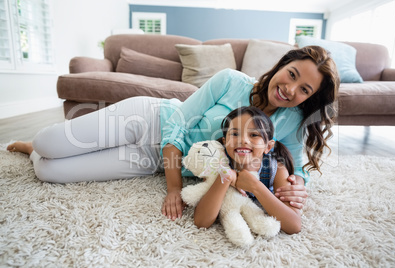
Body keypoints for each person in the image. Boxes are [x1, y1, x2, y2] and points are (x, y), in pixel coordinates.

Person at [7, 45, 339, 222]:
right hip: (149, 119)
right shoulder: (230, 80)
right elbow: (178, 122)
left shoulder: (292, 122)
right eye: (291, 74)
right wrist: (174, 189)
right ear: (281, 65)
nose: (289, 88)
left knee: (48, 170)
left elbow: (293, 168)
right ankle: (35, 143)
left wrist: (299, 187)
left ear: (310, 98)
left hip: (151, 160)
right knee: (48, 143)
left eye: (304, 89)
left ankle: (36, 152)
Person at [194, 106, 301, 234]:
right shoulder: (218, 162)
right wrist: (226, 177)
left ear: (268, 146)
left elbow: (294, 226)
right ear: (225, 141)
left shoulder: (277, 168)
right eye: (235, 134)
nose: (243, 140)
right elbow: (201, 222)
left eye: (254, 135)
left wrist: (255, 186)